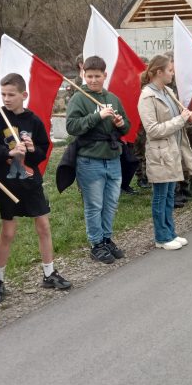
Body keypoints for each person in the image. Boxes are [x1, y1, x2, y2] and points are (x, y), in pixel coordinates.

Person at [0, 73, 71, 304]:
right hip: (7, 183)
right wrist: (8, 153)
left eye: (11, 94)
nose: (6, 99)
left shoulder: (33, 120)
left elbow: (42, 152)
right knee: (8, 232)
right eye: (3, 94)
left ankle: (49, 272)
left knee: (43, 226)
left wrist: (32, 150)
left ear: (24, 95)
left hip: (31, 182)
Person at [66, 56, 131, 262]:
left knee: (111, 203)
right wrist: (98, 116)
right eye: (89, 76)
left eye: (97, 76)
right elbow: (72, 126)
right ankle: (96, 244)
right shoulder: (79, 98)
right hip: (90, 160)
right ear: (83, 75)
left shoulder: (113, 98)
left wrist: (120, 123)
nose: (93, 80)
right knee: (94, 205)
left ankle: (106, 238)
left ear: (105, 75)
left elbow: (127, 127)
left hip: (112, 158)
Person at [136, 55, 192, 250]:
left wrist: (188, 118)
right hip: (160, 154)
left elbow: (178, 116)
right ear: (159, 72)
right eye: (170, 70)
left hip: (173, 150)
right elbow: (152, 130)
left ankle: (170, 232)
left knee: (170, 194)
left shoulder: (168, 91)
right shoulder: (147, 96)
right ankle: (161, 237)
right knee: (161, 196)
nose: (173, 73)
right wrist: (180, 120)